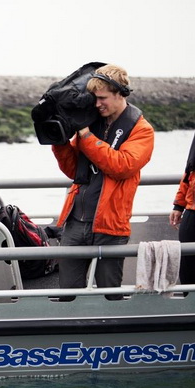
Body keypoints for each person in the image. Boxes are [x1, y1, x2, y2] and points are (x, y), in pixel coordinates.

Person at [52, 64, 154, 300]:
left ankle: (111, 334)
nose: (97, 104)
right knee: (67, 294)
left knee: (111, 295)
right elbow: (72, 170)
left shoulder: (142, 130)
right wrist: (58, 141)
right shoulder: (92, 122)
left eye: (102, 98)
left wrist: (85, 135)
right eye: (94, 99)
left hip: (111, 225)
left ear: (120, 94)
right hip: (75, 221)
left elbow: (121, 166)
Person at [170, 132, 195, 285]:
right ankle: (189, 304)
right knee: (188, 265)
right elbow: (190, 169)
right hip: (192, 211)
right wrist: (179, 204)